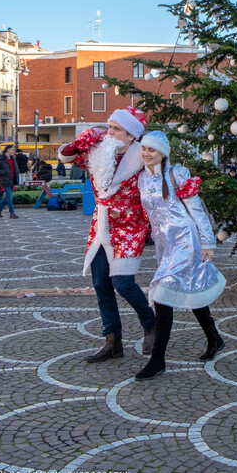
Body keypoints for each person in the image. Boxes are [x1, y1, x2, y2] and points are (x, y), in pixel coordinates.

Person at [58, 106, 156, 363]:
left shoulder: (142, 158)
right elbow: (67, 157)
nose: (108, 132)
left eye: (115, 128)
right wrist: (79, 141)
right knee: (101, 283)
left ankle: (151, 324)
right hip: (101, 226)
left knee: (122, 283)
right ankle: (112, 341)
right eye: (109, 126)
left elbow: (159, 188)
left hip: (129, 227)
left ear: (131, 135)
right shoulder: (98, 149)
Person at [135, 130, 226, 381]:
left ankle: (157, 360)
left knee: (163, 294)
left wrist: (208, 242)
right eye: (144, 149)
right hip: (165, 245)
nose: (146, 154)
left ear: (162, 152)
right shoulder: (142, 179)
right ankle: (214, 337)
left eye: (151, 150)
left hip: (187, 241)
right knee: (189, 287)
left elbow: (196, 210)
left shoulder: (177, 174)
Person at [0, 144, 19, 218]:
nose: (13, 151)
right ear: (8, 150)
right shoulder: (0, 159)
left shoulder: (12, 158)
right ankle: (12, 213)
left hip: (12, 180)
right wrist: (4, 172)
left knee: (8, 197)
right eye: (12, 150)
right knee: (9, 197)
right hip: (4, 180)